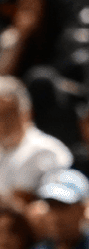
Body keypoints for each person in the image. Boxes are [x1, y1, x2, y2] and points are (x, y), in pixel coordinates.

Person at [0, 77, 71, 206]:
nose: (3, 121)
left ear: (27, 112)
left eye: (9, 113)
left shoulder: (48, 149)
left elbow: (22, 202)